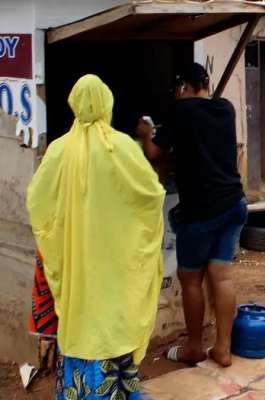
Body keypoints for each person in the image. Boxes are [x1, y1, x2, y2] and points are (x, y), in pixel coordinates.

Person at [26, 74, 165, 399]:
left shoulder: (59, 151)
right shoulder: (124, 148)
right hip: (115, 273)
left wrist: (64, 233)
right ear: (107, 103)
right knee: (115, 331)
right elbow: (153, 195)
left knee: (81, 331)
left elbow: (37, 202)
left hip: (79, 277)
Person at [137, 62, 247, 367]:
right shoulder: (226, 109)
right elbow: (199, 148)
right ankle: (223, 349)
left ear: (183, 86)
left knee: (190, 279)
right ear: (207, 83)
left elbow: (154, 153)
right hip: (233, 205)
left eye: (177, 89)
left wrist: (147, 133)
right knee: (221, 276)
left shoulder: (181, 112)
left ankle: (195, 348)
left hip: (199, 212)